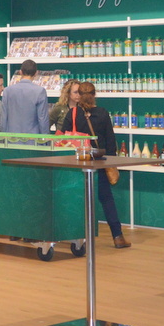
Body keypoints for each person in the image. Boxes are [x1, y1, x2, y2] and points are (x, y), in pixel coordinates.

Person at [59, 80, 130, 248]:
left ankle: (77, 235)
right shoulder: (103, 113)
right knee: (106, 198)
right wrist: (111, 162)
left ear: (79, 96)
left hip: (78, 162)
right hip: (99, 161)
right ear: (94, 95)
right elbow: (111, 141)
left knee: (76, 199)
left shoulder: (72, 114)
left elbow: (63, 139)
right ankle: (117, 236)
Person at [0, 60, 49, 135]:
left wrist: (3, 136)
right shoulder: (40, 91)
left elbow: (3, 118)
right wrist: (45, 137)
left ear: (20, 72)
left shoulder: (7, 91)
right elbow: (42, 119)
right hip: (32, 138)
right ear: (36, 73)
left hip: (12, 138)